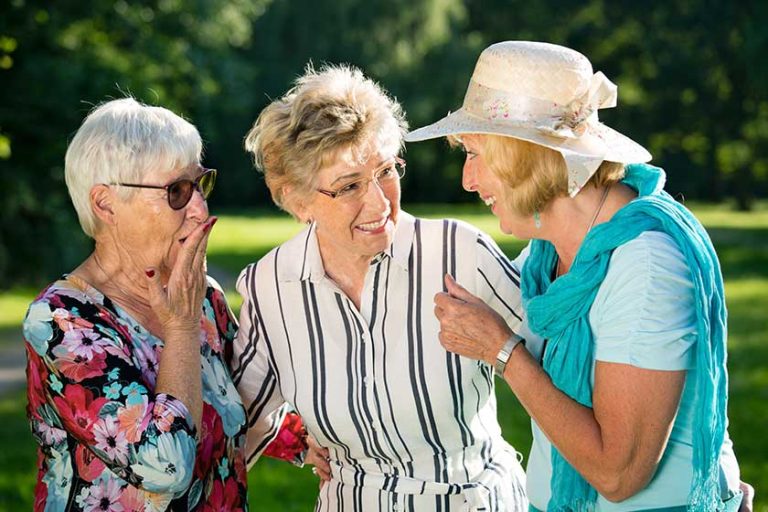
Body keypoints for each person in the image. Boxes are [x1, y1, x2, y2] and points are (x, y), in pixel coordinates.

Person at [406, 41, 751, 511]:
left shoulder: (645, 265)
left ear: (524, 156)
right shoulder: (545, 256)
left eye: (475, 153)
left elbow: (618, 474)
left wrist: (503, 352)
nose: (467, 179)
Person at [231, 64, 528, 511]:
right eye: (349, 186)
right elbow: (236, 419)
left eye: (387, 170)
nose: (379, 202)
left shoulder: (461, 254)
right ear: (296, 199)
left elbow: (568, 364)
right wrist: (295, 441)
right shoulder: (270, 286)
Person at [22, 98, 251, 511]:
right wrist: (180, 328)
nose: (200, 208)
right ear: (106, 204)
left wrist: (311, 442)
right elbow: (165, 469)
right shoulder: (60, 321)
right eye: (177, 191)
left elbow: (246, 401)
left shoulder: (203, 296)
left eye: (202, 184)